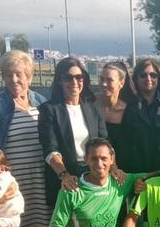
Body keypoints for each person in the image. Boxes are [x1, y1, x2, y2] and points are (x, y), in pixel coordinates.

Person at [0, 50, 51, 227]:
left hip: (40, 184)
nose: (14, 80)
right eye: (8, 75)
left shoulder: (42, 104)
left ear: (29, 77)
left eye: (19, 74)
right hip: (10, 186)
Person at [38, 57, 109, 209]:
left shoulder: (92, 105)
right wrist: (64, 175)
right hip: (65, 179)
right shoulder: (48, 109)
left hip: (93, 175)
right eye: (68, 78)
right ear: (59, 81)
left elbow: (104, 141)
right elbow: (50, 148)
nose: (74, 82)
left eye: (79, 77)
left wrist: (114, 168)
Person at [98, 61, 135, 168]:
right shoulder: (90, 106)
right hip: (96, 168)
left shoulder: (131, 111)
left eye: (109, 80)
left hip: (123, 170)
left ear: (121, 83)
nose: (104, 84)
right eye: (102, 79)